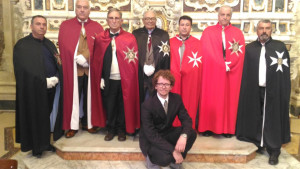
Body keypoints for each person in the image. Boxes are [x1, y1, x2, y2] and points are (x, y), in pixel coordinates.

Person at [236, 19, 291, 165]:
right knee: (257, 116)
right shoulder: (250, 49)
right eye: (261, 28)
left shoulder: (279, 47)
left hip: (273, 90)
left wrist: (284, 92)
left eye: (267, 28)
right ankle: (259, 142)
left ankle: (274, 150)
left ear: (271, 30)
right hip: (254, 89)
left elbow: (284, 73)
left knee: (272, 119)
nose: (264, 31)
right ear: (257, 30)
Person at [13, 15, 63, 157]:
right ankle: (36, 147)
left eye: (44, 24)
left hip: (50, 88)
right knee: (35, 116)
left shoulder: (49, 43)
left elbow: (57, 61)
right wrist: (43, 81)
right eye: (38, 24)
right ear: (31, 26)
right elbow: (23, 70)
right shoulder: (22, 45)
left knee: (45, 116)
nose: (42, 27)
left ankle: (45, 143)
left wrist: (57, 76)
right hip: (33, 90)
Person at [92, 8, 140, 141]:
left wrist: (130, 78)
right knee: (110, 105)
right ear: (107, 21)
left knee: (122, 105)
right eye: (111, 18)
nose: (114, 21)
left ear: (121, 21)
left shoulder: (130, 38)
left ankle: (121, 130)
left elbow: (133, 63)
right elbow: (97, 60)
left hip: (125, 79)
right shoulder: (100, 38)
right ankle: (110, 129)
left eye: (116, 18)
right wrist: (101, 77)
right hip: (108, 79)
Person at [58, 0, 103, 138]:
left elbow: (100, 49)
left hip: (90, 70)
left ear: (89, 10)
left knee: (90, 98)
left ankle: (88, 123)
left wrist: (87, 59)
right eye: (79, 7)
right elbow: (64, 46)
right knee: (73, 98)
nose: (82, 10)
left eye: (85, 7)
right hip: (74, 70)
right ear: (75, 9)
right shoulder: (66, 26)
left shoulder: (97, 27)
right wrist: (76, 56)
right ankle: (73, 125)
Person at [198, 5, 245, 137]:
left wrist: (230, 64)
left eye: (227, 15)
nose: (225, 17)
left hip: (230, 72)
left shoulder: (237, 33)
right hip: (212, 71)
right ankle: (207, 127)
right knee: (210, 98)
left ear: (231, 16)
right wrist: (220, 64)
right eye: (222, 15)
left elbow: (240, 53)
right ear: (218, 16)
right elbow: (205, 52)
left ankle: (227, 129)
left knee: (228, 100)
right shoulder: (208, 31)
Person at [140, 70, 196, 169]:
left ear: (171, 87)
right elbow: (151, 134)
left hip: (167, 133)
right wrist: (173, 150)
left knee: (191, 133)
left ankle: (176, 161)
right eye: (160, 84)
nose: (163, 87)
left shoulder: (176, 99)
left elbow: (186, 119)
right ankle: (151, 159)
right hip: (151, 139)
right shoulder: (147, 105)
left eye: (166, 84)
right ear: (156, 86)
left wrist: (183, 136)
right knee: (166, 158)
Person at [169, 15, 202, 129]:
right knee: (173, 102)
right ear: (178, 26)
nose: (184, 27)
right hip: (174, 78)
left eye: (187, 25)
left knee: (189, 103)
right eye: (182, 25)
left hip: (191, 79)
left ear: (191, 27)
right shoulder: (170, 42)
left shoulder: (198, 43)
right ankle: (173, 126)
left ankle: (188, 128)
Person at [132, 10, 170, 103]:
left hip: (157, 74)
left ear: (156, 20)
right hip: (140, 75)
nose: (150, 21)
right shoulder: (136, 34)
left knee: (155, 102)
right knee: (140, 102)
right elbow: (132, 54)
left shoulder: (163, 34)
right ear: (143, 20)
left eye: (152, 18)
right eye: (147, 19)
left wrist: (163, 74)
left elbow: (166, 56)